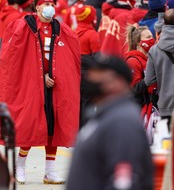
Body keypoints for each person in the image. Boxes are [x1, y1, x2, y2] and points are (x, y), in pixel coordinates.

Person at [0, 0, 80, 184]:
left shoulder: (62, 29)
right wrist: (39, 76)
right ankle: (20, 166)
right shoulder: (22, 26)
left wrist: (57, 76)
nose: (49, 7)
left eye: (52, 4)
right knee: (30, 126)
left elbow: (70, 59)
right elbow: (14, 59)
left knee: (53, 128)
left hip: (55, 86)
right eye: (45, 4)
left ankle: (50, 171)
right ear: (36, 7)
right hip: (31, 85)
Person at [66, 54, 154, 190]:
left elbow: (123, 182)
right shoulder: (104, 115)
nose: (92, 77)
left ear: (120, 81)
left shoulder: (122, 121)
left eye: (100, 73)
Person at [144, 9, 174, 129]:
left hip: (166, 104)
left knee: (168, 145)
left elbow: (148, 81)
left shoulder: (154, 50)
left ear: (164, 23)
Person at [125, 25, 155, 107]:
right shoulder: (133, 61)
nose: (152, 40)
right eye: (148, 37)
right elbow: (134, 88)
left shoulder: (150, 58)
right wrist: (149, 78)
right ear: (138, 42)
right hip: (140, 108)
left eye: (152, 36)